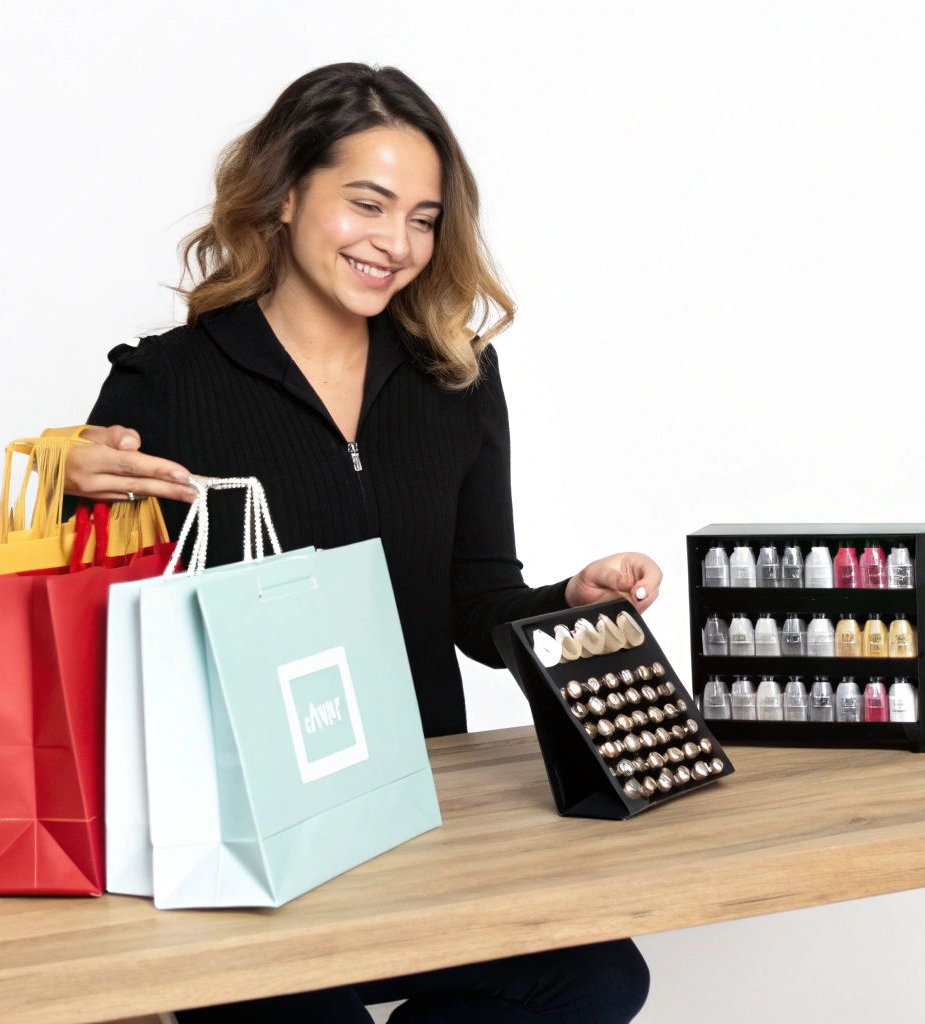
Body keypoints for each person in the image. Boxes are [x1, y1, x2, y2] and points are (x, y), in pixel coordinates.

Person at [62, 62, 655, 1023]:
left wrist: (568, 602)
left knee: (595, 976)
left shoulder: (457, 378)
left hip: (419, 812)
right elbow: (87, 623)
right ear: (287, 195)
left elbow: (474, 600)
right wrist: (65, 480)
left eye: (423, 218)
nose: (397, 244)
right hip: (244, 839)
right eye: (368, 204)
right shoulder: (165, 383)